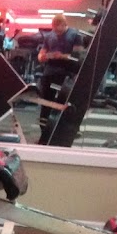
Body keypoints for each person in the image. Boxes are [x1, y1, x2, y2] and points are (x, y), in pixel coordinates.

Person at [37, 13, 83, 143]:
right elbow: (41, 54)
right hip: (50, 73)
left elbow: (77, 56)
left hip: (67, 73)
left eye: (59, 29)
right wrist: (43, 57)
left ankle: (66, 133)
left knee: (66, 104)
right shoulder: (49, 36)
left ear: (64, 25)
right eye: (54, 29)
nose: (56, 32)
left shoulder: (75, 35)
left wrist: (61, 56)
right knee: (46, 103)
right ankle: (44, 134)